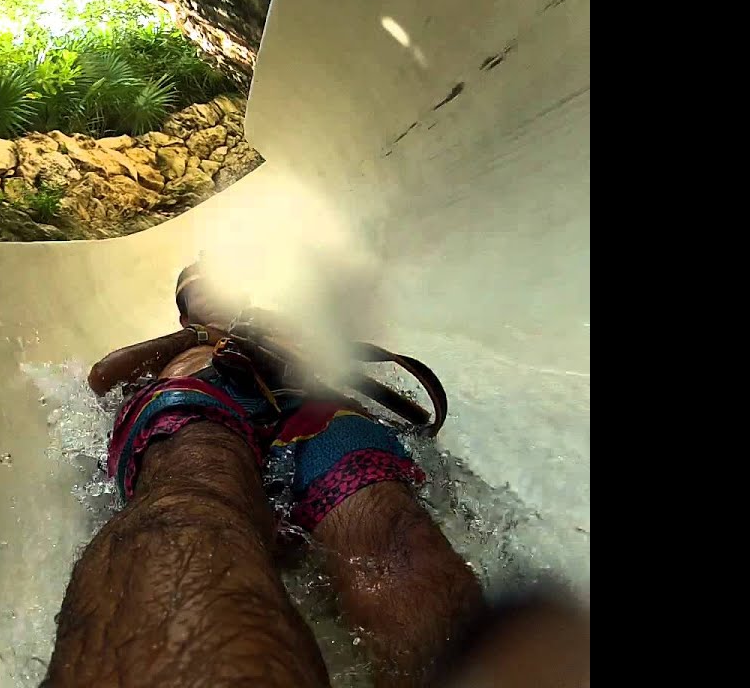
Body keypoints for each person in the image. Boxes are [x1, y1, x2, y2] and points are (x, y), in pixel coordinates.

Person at [41, 263, 588, 688]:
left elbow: (337, 356)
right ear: (185, 309)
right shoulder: (184, 342)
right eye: (200, 289)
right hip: (199, 396)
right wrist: (197, 339)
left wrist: (275, 336)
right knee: (188, 501)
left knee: (389, 529)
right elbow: (102, 376)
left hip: (305, 405)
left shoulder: (276, 325)